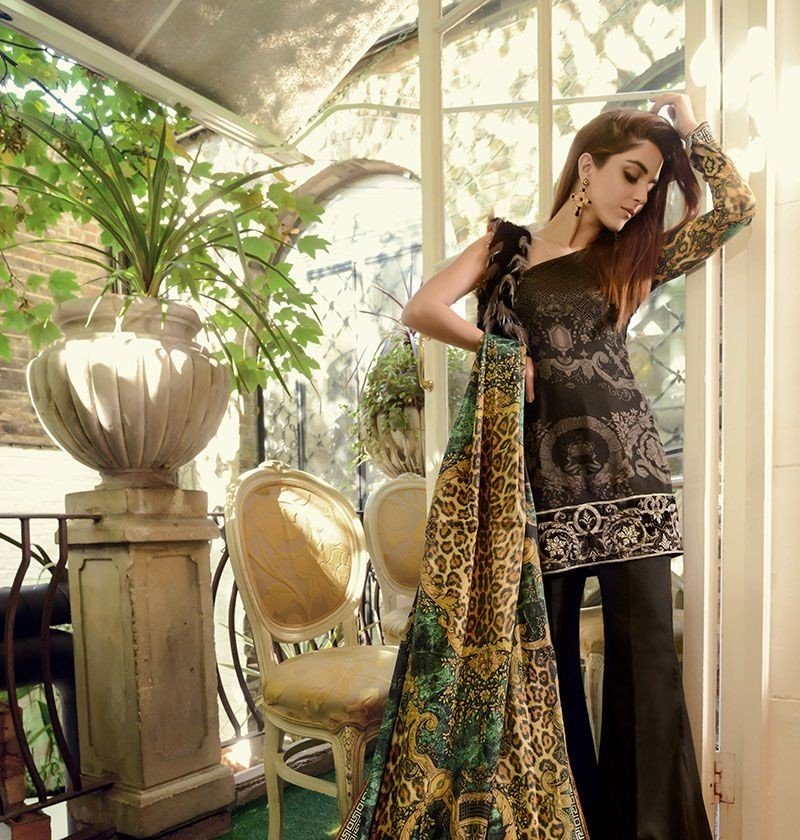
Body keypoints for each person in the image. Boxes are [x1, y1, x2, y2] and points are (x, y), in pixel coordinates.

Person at [393, 92, 756, 840]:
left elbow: (735, 210)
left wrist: (691, 128)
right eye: (631, 175)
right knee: (544, 677)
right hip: (541, 491)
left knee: (646, 676)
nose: (640, 196)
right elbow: (424, 307)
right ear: (587, 167)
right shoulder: (506, 247)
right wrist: (500, 350)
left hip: (634, 483)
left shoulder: (632, 258)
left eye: (652, 185)